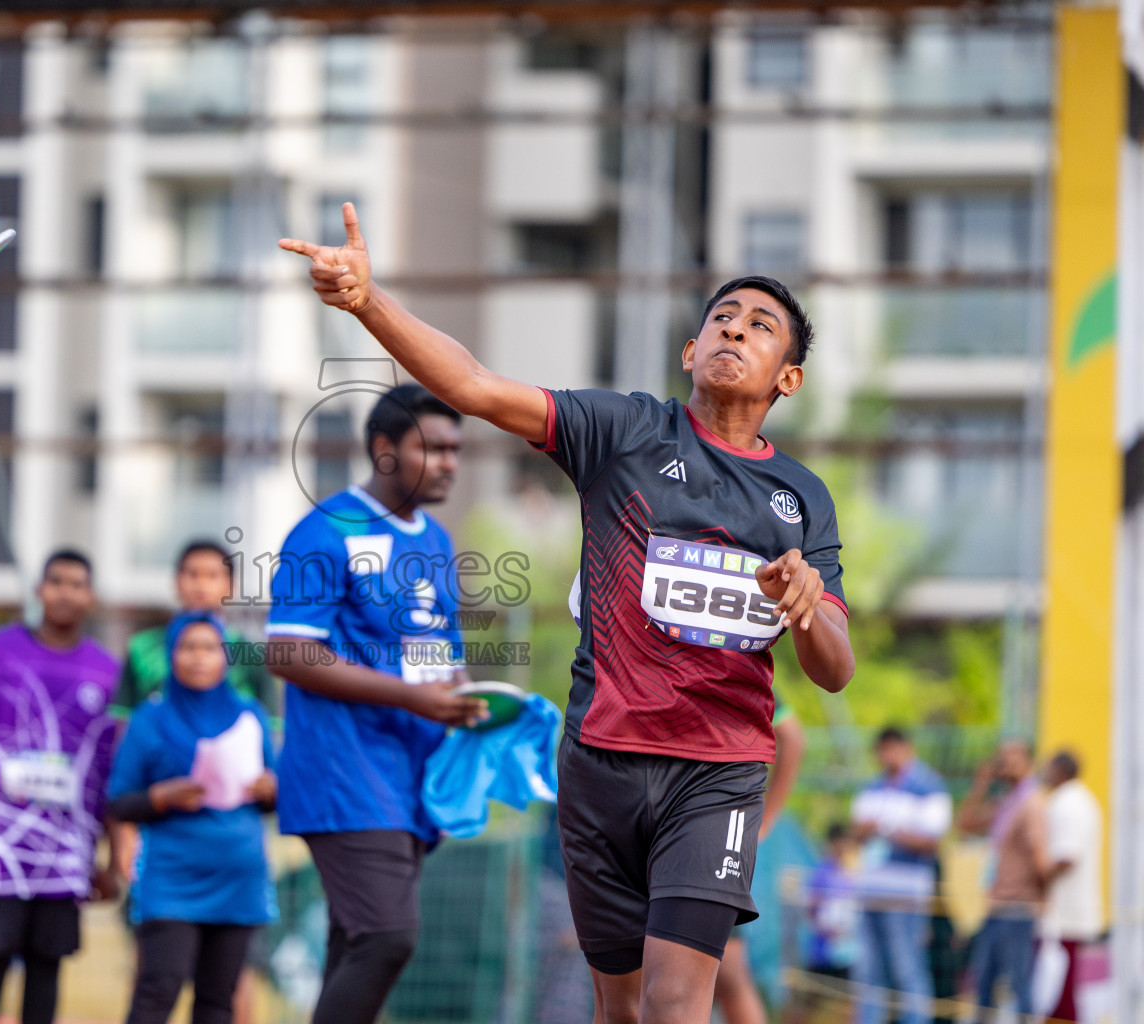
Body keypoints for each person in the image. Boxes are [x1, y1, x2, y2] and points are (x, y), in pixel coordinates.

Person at [280, 205, 854, 1024]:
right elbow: (473, 385)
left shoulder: (800, 500)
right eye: (720, 317)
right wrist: (368, 301)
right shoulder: (622, 432)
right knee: (618, 1008)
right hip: (600, 765)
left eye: (760, 325)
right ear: (690, 351)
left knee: (674, 1002)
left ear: (786, 377)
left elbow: (834, 670)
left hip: (718, 772)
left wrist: (807, 612)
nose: (735, 330)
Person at [264, 382, 488, 1024]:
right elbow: (288, 652)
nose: (449, 461)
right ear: (384, 449)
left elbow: (438, 652)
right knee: (388, 937)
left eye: (455, 449)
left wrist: (472, 706)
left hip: (412, 776)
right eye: (433, 447)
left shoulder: (436, 540)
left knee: (355, 944)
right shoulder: (324, 529)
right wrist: (413, 698)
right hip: (345, 772)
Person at [0, 549, 122, 1024]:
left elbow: (113, 771)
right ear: (39, 591)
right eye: (56, 581)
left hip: (66, 849)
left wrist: (110, 855)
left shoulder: (107, 673)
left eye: (76, 584)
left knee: (47, 966)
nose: (65, 592)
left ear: (91, 597)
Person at [110, 540, 277, 1024]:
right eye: (187, 648)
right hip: (171, 869)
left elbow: (274, 784)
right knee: (156, 987)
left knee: (221, 998)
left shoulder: (250, 711)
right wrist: (155, 804)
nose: (200, 658)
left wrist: (271, 790)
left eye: (210, 649)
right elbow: (121, 793)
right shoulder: (150, 712)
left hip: (237, 869)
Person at [849, 727, 950, 1024]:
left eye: (893, 748)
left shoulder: (929, 786)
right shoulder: (873, 787)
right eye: (883, 749)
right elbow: (856, 833)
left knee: (908, 967)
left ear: (907, 748)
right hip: (871, 890)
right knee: (868, 970)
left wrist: (888, 830)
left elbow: (933, 840)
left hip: (906, 892)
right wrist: (873, 830)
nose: (888, 755)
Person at [712, 704, 806, 1024]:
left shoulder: (730, 655)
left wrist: (768, 819)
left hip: (710, 834)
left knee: (728, 974)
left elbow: (792, 735)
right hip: (674, 833)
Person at [113, 540, 277, 715]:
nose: (201, 586)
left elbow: (270, 726)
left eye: (212, 576)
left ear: (231, 586)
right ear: (176, 582)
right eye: (192, 574)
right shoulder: (142, 647)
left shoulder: (252, 654)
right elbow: (122, 721)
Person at [956, 738, 1049, 1019]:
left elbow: (1039, 858)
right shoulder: (1006, 803)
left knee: (1019, 985)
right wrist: (981, 784)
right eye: (1002, 757)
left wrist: (1042, 899)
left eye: (1012, 757)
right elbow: (965, 824)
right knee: (984, 984)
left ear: (1028, 761)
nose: (1005, 763)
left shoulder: (1031, 803)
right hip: (997, 905)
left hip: (1019, 907)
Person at [1039, 750, 1101, 1023]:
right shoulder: (1078, 799)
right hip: (1069, 909)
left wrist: (1038, 877)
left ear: (1059, 771)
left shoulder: (1068, 803)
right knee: (1061, 988)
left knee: (1058, 992)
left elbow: (1066, 857)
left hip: (1064, 911)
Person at [806, 824, 861, 982]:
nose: (842, 847)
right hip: (822, 948)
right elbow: (811, 907)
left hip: (845, 948)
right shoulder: (821, 873)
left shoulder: (847, 873)